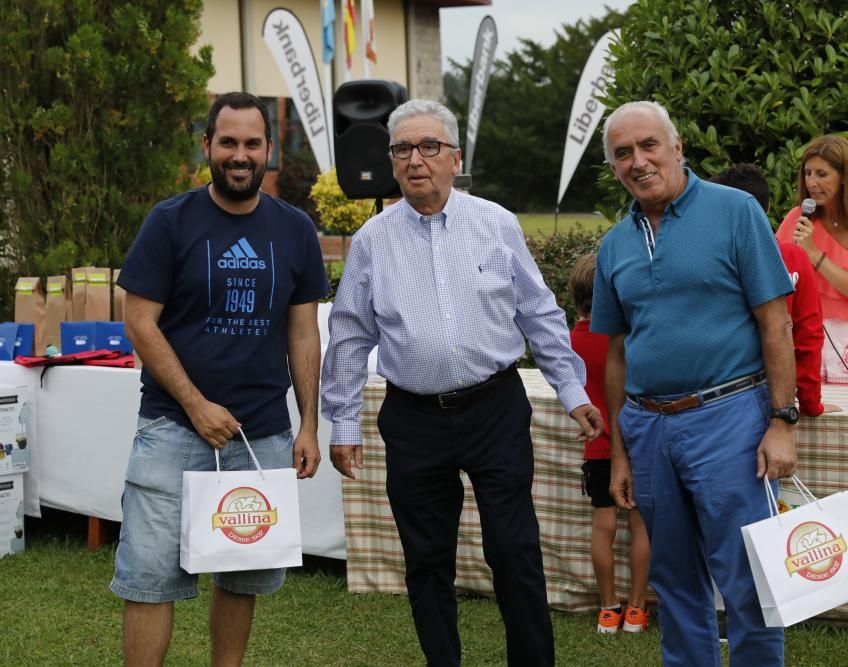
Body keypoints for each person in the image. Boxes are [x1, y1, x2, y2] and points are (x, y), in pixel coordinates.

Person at [321, 99, 603, 667]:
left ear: (454, 157)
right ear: (393, 163)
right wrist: (343, 422)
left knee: (514, 549)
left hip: (493, 407)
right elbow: (349, 334)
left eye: (428, 147)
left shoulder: (494, 222)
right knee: (426, 560)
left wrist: (573, 393)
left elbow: (539, 313)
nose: (415, 160)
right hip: (413, 417)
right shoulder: (373, 240)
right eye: (403, 150)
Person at [110, 92, 330, 665]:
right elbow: (139, 320)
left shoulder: (296, 230)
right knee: (150, 580)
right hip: (170, 429)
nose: (240, 154)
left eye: (251, 143)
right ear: (207, 146)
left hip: (261, 436)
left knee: (241, 578)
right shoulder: (170, 221)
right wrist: (196, 404)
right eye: (227, 142)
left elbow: (304, 334)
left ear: (268, 151)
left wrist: (308, 425)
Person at [592, 101, 797, 666]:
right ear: (613, 166)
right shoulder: (615, 244)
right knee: (674, 579)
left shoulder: (735, 212)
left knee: (747, 577)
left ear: (677, 146)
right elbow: (616, 356)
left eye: (649, 145)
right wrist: (620, 455)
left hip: (729, 416)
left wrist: (782, 421)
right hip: (647, 426)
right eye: (623, 153)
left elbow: (774, 322)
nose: (638, 161)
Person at [568, 253, 651, 634]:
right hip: (636, 439)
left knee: (603, 527)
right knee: (641, 527)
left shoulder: (571, 342)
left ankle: (607, 608)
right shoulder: (629, 338)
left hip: (598, 447)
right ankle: (636, 609)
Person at [710, 163, 833, 416]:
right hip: (775, 399)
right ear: (766, 208)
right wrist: (810, 404)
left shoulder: (706, 262)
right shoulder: (794, 257)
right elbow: (808, 337)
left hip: (717, 400)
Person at [776, 135, 848, 387]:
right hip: (803, 334)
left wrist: (814, 254)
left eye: (822, 174)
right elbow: (772, 276)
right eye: (808, 173)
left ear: (845, 176)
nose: (812, 183)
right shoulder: (798, 217)